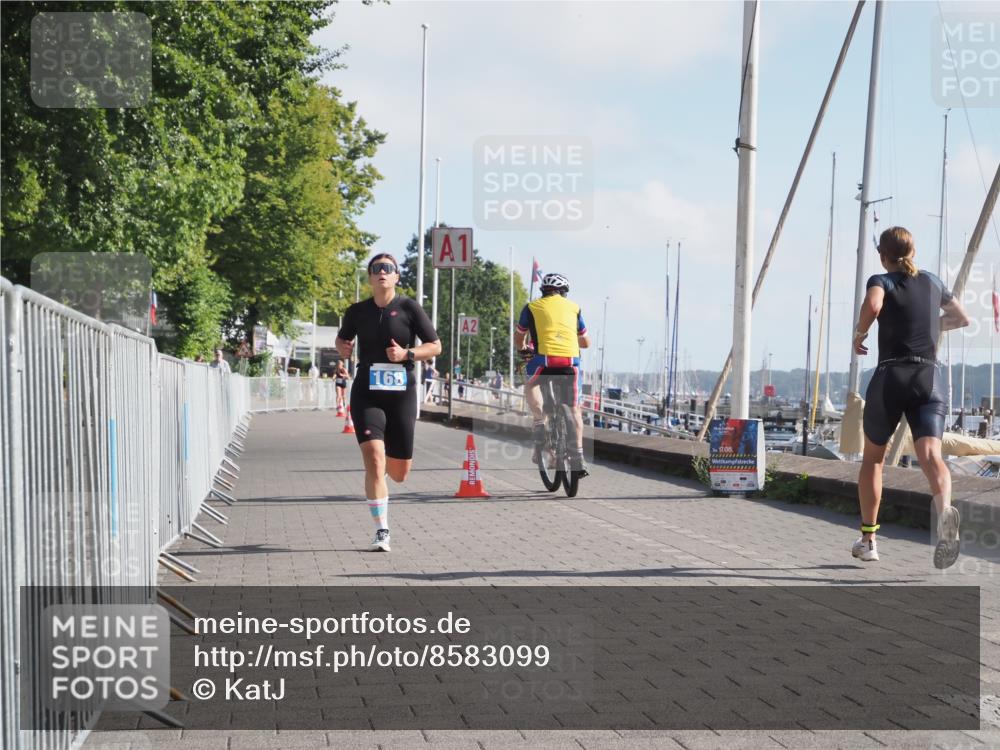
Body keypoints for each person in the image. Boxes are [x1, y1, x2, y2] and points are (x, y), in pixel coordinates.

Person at [852, 226, 969, 568]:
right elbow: (961, 318)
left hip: (892, 376)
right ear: (913, 252)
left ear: (882, 255)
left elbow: (873, 306)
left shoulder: (882, 279)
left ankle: (869, 540)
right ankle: (945, 513)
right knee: (932, 455)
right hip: (929, 378)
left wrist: (859, 333)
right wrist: (930, 326)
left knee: (873, 459)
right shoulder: (932, 281)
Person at [335, 253, 441, 552]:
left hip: (402, 394)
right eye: (376, 268)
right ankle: (382, 531)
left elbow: (436, 346)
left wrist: (407, 354)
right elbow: (342, 343)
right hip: (367, 392)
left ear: (396, 277)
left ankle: (383, 479)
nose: (382, 272)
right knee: (374, 460)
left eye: (389, 268)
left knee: (399, 473)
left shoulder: (409, 308)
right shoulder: (356, 311)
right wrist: (341, 347)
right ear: (369, 277)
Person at [513, 272, 591, 475]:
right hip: (570, 363)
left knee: (531, 384)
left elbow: (519, 336)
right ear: (564, 292)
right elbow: (586, 342)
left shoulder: (531, 307)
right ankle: (579, 458)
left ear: (543, 291)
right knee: (574, 410)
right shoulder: (574, 308)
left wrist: (523, 350)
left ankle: (539, 420)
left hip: (543, 361)